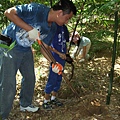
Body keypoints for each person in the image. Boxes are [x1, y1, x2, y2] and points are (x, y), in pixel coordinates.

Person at [0, 0, 76, 119]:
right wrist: (30, 29)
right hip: (10, 47)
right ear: (60, 13)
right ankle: (2, 115)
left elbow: (44, 47)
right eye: (67, 18)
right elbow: (8, 13)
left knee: (30, 78)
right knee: (8, 84)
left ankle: (25, 104)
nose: (67, 21)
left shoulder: (53, 27)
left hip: (25, 49)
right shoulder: (36, 9)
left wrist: (53, 63)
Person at [42, 24, 71, 110]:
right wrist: (59, 53)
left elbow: (65, 42)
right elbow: (47, 46)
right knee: (52, 77)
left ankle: (54, 97)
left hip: (62, 57)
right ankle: (46, 100)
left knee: (59, 77)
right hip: (55, 57)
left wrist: (66, 54)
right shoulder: (52, 27)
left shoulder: (64, 28)